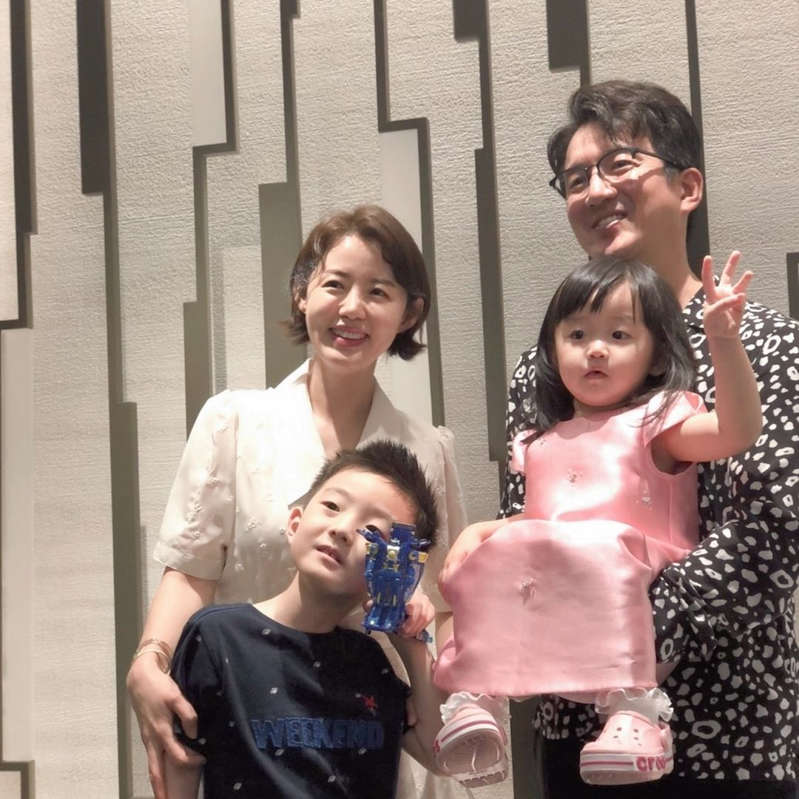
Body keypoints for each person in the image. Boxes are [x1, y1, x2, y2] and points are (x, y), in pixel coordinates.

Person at [501, 80, 799, 797]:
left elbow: (775, 526)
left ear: (687, 186)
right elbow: (526, 520)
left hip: (728, 730)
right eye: (576, 178)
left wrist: (628, 625)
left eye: (619, 164)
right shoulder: (544, 366)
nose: (596, 190)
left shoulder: (764, 341)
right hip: (574, 729)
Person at [126, 205, 468, 799]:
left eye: (378, 291)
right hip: (253, 736)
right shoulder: (235, 421)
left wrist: (433, 679)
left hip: (375, 747)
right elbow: (191, 571)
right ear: (302, 294)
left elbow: (442, 606)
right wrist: (148, 660)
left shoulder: (427, 450)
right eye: (335, 284)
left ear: (408, 313)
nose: (352, 308)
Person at [433, 254, 761, 788]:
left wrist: (725, 342)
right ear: (553, 349)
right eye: (578, 334)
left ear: (656, 355)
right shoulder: (540, 441)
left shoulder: (657, 422)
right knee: (488, 556)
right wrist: (482, 533)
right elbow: (538, 521)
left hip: (636, 574)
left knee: (602, 549)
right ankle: (478, 697)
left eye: (619, 335)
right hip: (562, 587)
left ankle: (636, 712)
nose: (596, 349)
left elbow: (735, 431)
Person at [163, 441, 446, 798]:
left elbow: (439, 752)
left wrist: (411, 643)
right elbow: (180, 760)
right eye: (332, 506)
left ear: (398, 568)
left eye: (373, 532)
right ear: (295, 522)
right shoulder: (218, 637)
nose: (343, 529)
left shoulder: (371, 662)